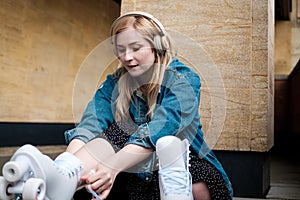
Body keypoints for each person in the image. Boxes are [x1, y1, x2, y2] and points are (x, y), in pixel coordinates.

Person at [0, 12, 233, 200]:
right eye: (121, 50)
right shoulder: (116, 83)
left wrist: (110, 168)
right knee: (119, 130)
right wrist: (64, 167)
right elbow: (92, 123)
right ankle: (60, 178)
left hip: (179, 163)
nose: (127, 57)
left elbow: (161, 129)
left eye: (135, 48)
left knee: (195, 182)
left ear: (157, 46)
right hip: (131, 168)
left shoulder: (184, 79)